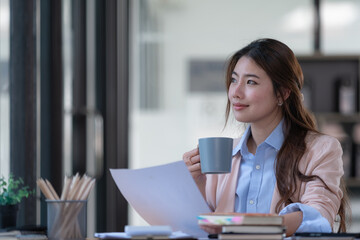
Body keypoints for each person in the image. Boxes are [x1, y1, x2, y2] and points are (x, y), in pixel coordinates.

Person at [183, 38, 349, 236]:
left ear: (282, 93)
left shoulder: (321, 149)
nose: (236, 92)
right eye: (234, 80)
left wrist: (240, 225)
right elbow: (201, 229)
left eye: (250, 82)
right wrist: (195, 185)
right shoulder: (224, 156)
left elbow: (319, 217)